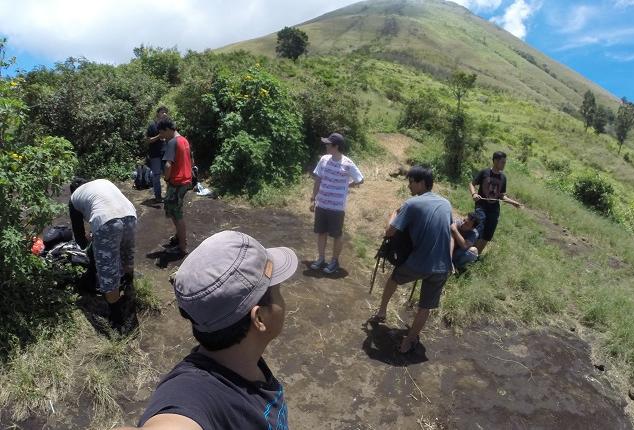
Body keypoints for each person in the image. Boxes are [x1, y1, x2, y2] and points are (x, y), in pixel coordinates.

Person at [115, 230, 298, 430]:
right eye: (278, 291)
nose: (283, 301)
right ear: (259, 318)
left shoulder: (241, 362)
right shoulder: (194, 394)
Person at [368, 166, 452, 354]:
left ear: (421, 183)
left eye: (411, 182)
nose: (409, 187)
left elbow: (389, 232)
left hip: (419, 263)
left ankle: (382, 312)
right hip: (442, 265)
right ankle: (409, 342)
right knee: (425, 307)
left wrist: (392, 214)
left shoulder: (412, 204)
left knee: (394, 278)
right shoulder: (446, 203)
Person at [68, 178, 137, 330]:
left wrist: (93, 247)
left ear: (73, 191)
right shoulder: (100, 184)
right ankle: (129, 293)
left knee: (108, 274)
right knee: (126, 257)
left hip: (106, 221)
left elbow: (80, 237)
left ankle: (117, 320)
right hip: (130, 214)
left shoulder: (74, 198)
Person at [309, 132, 364, 274]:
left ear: (336, 146)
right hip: (322, 204)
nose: (326, 146)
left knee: (336, 235)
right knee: (321, 232)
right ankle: (321, 259)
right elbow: (318, 179)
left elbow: (360, 179)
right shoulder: (324, 160)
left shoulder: (347, 163)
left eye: (328, 144)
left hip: (337, 207)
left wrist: (346, 186)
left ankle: (334, 261)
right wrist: (313, 199)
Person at [468, 151, 522, 254]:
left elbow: (502, 196)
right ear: (495, 161)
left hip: (494, 209)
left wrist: (513, 202)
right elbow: (472, 184)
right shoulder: (484, 172)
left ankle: (475, 256)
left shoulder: (503, 178)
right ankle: (468, 251)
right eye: (503, 162)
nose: (504, 164)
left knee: (488, 233)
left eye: (505, 162)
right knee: (481, 224)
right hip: (481, 206)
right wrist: (474, 194)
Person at [157, 117, 192, 257]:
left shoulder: (172, 142)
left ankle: (182, 247)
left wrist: (166, 178)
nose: (162, 137)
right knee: (173, 210)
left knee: (177, 214)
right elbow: (191, 159)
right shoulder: (184, 140)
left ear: (167, 130)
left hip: (177, 182)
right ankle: (179, 237)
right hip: (185, 181)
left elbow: (168, 165)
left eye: (162, 133)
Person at [145, 106, 169, 202]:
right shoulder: (152, 125)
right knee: (156, 175)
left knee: (168, 174)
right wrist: (159, 136)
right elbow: (148, 140)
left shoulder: (167, 125)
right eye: (162, 112)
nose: (164, 114)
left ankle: (170, 195)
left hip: (166, 153)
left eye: (165, 112)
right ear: (158, 114)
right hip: (155, 154)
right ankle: (158, 196)